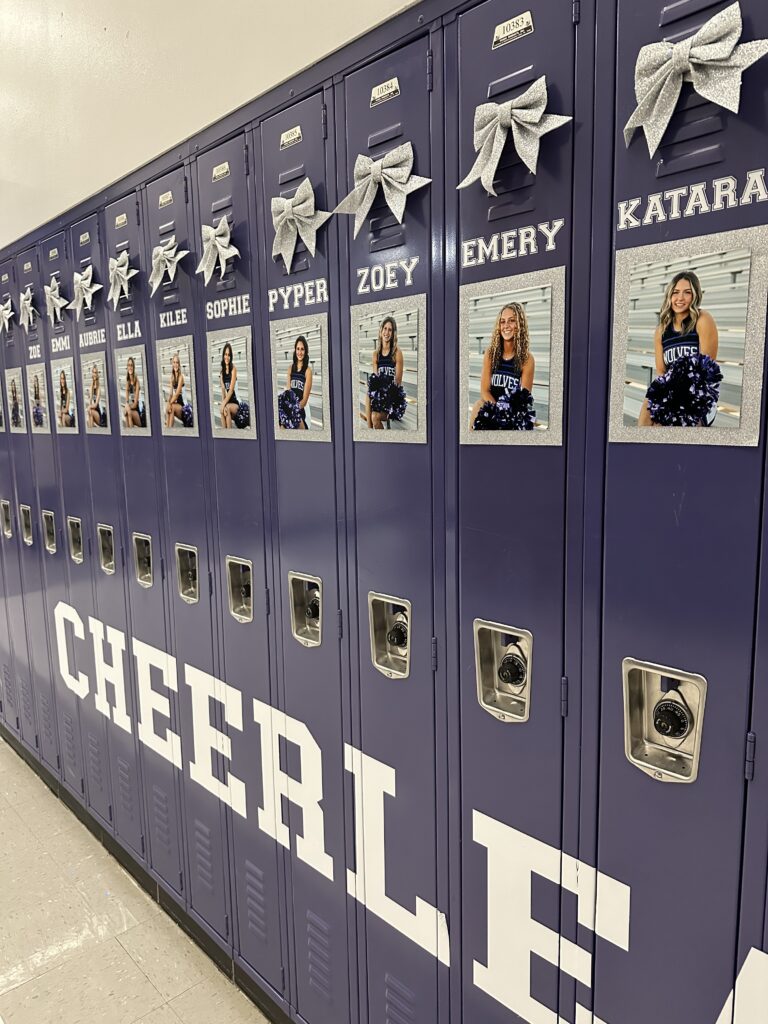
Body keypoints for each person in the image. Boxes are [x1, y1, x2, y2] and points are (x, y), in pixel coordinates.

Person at [638, 270, 719, 427]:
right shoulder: (661, 330)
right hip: (671, 390)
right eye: (675, 292)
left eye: (687, 292)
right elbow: (661, 372)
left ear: (695, 296)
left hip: (699, 392)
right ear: (669, 296)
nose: (680, 298)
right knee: (647, 410)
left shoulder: (703, 320)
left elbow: (706, 370)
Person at [470, 302, 535, 427]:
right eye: (502, 321)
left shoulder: (527, 359)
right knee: (478, 405)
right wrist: (498, 412)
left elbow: (523, 399)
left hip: (513, 414)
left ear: (519, 325)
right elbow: (484, 391)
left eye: (511, 321)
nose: (506, 326)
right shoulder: (490, 354)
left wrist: (506, 416)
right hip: (493, 408)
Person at [366, 316, 404, 429]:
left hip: (393, 398)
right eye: (385, 328)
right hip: (381, 396)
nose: (387, 332)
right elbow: (375, 381)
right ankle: (369, 431)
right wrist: (378, 393)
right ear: (381, 330)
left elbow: (397, 383)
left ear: (393, 333)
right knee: (368, 394)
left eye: (390, 330)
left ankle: (372, 433)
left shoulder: (397, 353)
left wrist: (383, 394)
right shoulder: (376, 354)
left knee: (374, 417)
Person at [284, 335, 313, 430]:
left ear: (306, 351)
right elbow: (288, 393)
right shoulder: (290, 369)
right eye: (298, 349)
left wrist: (294, 409)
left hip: (300, 411)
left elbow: (304, 400)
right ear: (295, 350)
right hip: (291, 408)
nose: (300, 352)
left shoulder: (308, 371)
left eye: (302, 349)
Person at [220, 341, 239, 429]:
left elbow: (231, 391)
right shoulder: (222, 372)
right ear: (223, 355)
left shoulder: (233, 369)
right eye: (225, 354)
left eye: (229, 355)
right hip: (227, 403)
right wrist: (223, 405)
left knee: (225, 408)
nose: (227, 357)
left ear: (231, 356)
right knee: (223, 411)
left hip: (236, 403)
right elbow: (223, 391)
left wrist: (223, 404)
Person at [166, 352, 187, 428]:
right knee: (169, 408)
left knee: (172, 407)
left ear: (179, 364)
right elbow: (171, 394)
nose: (175, 364)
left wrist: (169, 404)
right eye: (174, 362)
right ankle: (168, 430)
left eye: (177, 362)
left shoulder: (181, 377)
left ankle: (169, 430)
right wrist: (168, 403)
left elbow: (177, 394)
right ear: (172, 364)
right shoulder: (172, 377)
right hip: (176, 404)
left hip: (184, 406)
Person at [123, 356, 144, 429]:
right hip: (133, 410)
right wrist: (126, 406)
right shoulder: (128, 382)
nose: (130, 367)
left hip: (140, 412)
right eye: (128, 365)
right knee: (126, 413)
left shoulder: (136, 381)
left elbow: (135, 404)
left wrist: (128, 407)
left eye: (131, 365)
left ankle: (131, 436)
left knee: (128, 412)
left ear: (133, 367)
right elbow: (126, 401)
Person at [88, 363, 105, 428]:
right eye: (93, 372)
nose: (94, 374)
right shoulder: (91, 386)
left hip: (98, 414)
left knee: (90, 411)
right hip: (93, 411)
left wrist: (89, 407)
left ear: (97, 374)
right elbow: (90, 401)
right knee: (90, 415)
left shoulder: (99, 388)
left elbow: (95, 405)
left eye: (96, 373)